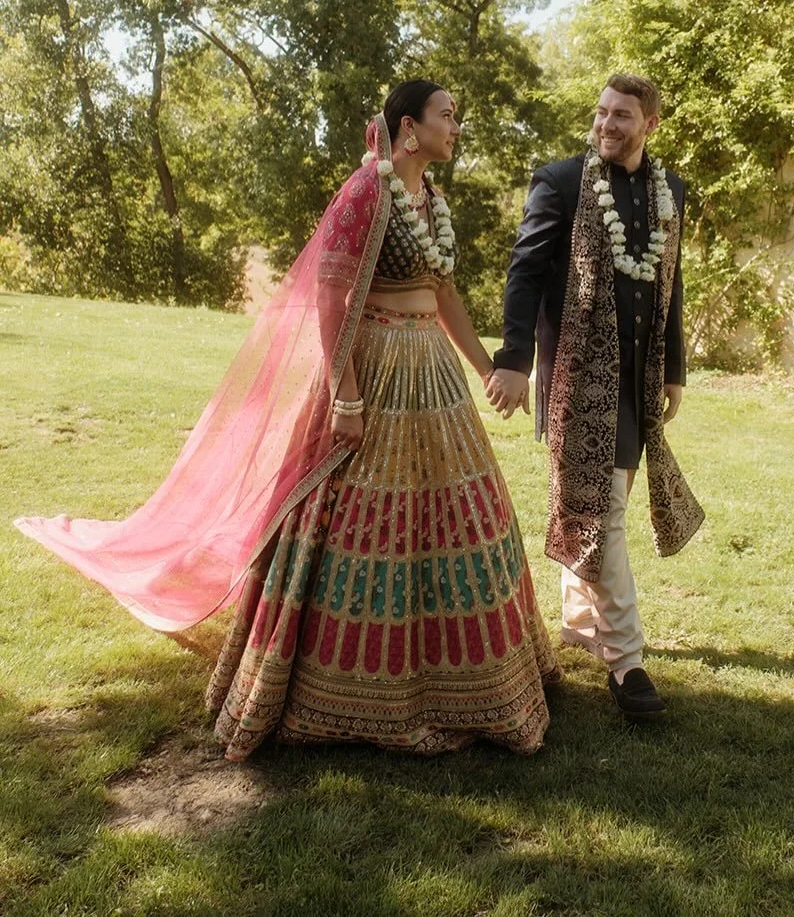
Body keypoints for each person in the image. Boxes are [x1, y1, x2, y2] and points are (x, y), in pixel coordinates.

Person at [17, 80, 559, 760]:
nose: (457, 126)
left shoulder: (430, 199)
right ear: (408, 127)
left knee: (458, 517)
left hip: (432, 375)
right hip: (376, 370)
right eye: (447, 115)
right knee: (361, 522)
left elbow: (442, 292)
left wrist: (482, 367)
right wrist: (345, 393)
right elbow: (331, 295)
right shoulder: (367, 190)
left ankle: (469, 682)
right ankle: (334, 692)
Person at [485, 73, 703, 719]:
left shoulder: (671, 193)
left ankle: (580, 620)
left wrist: (674, 369)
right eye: (602, 112)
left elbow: (671, 280)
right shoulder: (559, 182)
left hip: (637, 378)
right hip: (578, 376)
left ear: (650, 125)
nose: (607, 124)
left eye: (622, 115)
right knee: (601, 511)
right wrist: (512, 361)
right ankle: (626, 663)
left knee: (604, 506)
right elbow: (523, 271)